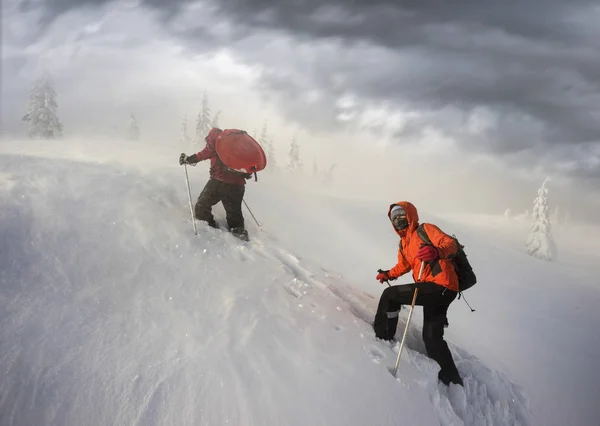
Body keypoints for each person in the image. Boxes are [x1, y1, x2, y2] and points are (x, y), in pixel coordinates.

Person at [374, 201, 463, 386]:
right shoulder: (404, 243)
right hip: (439, 290)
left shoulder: (425, 230)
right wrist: (388, 274)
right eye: (394, 217)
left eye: (401, 214)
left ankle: (382, 337)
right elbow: (404, 266)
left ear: (410, 215)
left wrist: (436, 251)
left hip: (441, 284)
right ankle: (452, 378)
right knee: (431, 337)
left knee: (390, 295)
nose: (398, 219)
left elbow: (451, 244)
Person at [179, 127, 253, 241]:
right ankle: (240, 236)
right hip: (237, 185)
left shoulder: (215, 138)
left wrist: (188, 159)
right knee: (234, 213)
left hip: (219, 182)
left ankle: (209, 230)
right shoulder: (233, 143)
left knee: (201, 206)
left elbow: (205, 153)